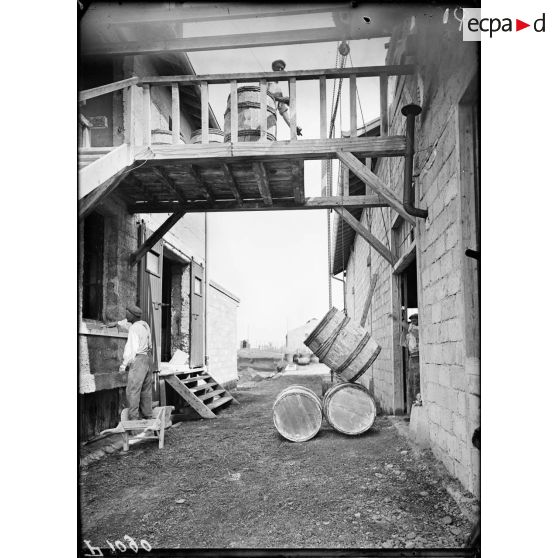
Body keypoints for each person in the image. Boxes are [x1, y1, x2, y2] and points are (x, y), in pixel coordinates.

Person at [119, 305, 153, 420]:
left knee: (133, 390)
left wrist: (124, 365)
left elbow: (131, 349)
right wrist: (118, 324)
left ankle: (133, 421)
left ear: (132, 315)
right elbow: (149, 345)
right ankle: (148, 417)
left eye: (127, 312)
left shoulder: (134, 328)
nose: (125, 315)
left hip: (138, 360)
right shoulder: (144, 326)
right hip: (147, 359)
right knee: (146, 390)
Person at [269, 59, 303, 136]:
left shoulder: (278, 90)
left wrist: (293, 128)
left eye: (282, 68)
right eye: (278, 68)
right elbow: (266, 96)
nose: (280, 70)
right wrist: (283, 99)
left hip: (270, 119)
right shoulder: (267, 82)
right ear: (273, 69)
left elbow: (284, 112)